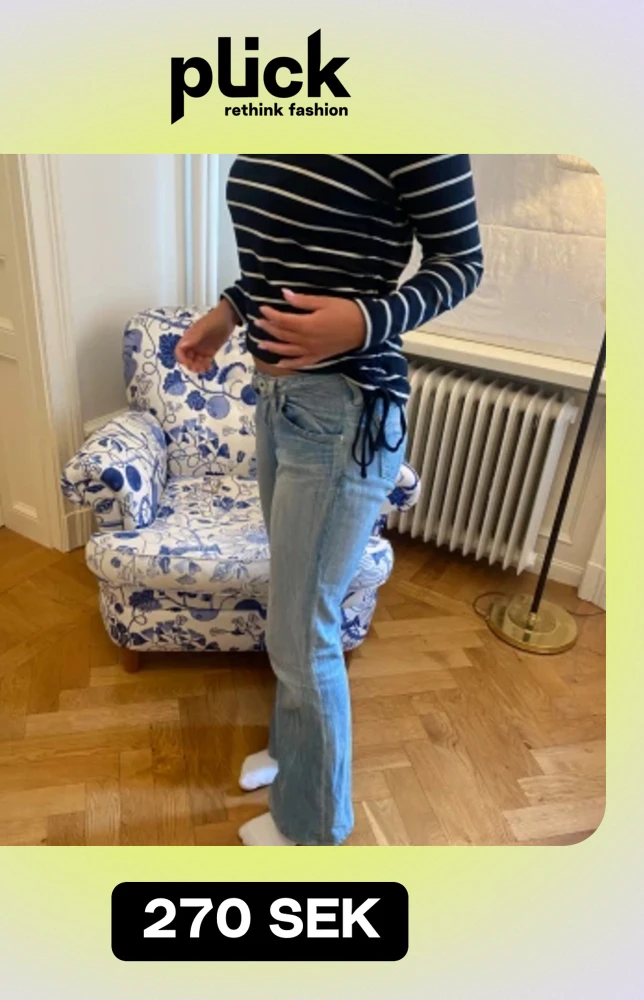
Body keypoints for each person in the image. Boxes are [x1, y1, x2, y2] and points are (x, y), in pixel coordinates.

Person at [175, 154, 484, 846]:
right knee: (292, 607)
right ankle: (294, 758)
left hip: (344, 412)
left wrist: (367, 320)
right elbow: (285, 257)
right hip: (278, 402)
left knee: (301, 629)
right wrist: (229, 313)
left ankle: (312, 828)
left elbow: (462, 262)